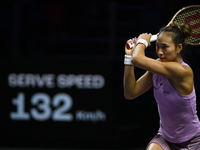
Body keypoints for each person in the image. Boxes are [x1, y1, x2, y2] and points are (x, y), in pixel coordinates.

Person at [123, 22, 200, 150]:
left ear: (179, 47)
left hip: (192, 142)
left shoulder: (183, 72)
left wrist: (142, 42)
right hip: (165, 138)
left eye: (165, 47)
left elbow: (138, 58)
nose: (159, 52)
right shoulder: (157, 68)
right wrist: (128, 57)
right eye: (157, 46)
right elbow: (130, 92)